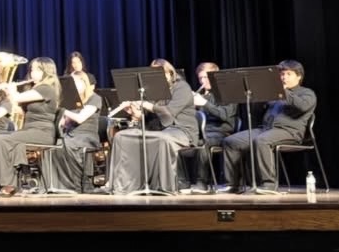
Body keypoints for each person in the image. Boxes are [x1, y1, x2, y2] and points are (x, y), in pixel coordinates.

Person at [220, 59, 315, 194]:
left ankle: (268, 184)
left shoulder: (307, 93)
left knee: (262, 140)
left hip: (289, 131)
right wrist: (255, 96)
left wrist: (283, 91)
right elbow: (258, 111)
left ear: (299, 76)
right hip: (266, 129)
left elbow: (302, 106)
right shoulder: (274, 94)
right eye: (282, 74)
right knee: (231, 141)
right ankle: (233, 184)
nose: (284, 77)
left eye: (288, 74)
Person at [106, 58, 197, 194]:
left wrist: (147, 105)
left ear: (170, 73)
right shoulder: (155, 90)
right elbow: (148, 117)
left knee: (161, 139)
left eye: (159, 74)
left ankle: (162, 186)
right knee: (122, 136)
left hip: (181, 130)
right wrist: (135, 112)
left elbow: (169, 112)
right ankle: (125, 185)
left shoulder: (182, 87)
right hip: (157, 129)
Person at [0, 57, 60, 196]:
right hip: (28, 130)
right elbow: (21, 110)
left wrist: (11, 89)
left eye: (36, 70)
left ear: (46, 71)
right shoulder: (34, 88)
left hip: (42, 132)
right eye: (31, 69)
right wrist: (6, 94)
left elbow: (17, 98)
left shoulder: (47, 89)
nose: (32, 73)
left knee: (2, 140)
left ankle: (8, 184)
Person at [42, 72, 103, 193]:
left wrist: (61, 109)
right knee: (52, 144)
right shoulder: (70, 100)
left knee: (68, 144)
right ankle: (56, 185)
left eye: (74, 83)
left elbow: (80, 118)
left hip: (86, 136)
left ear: (83, 83)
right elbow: (65, 123)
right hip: (70, 134)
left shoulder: (94, 98)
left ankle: (76, 184)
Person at [185, 61, 236, 193]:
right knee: (178, 141)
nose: (203, 81)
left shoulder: (227, 92)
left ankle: (202, 183)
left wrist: (204, 103)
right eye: (200, 78)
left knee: (204, 142)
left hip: (221, 132)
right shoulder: (202, 95)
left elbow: (225, 115)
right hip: (202, 131)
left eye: (206, 77)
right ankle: (182, 181)